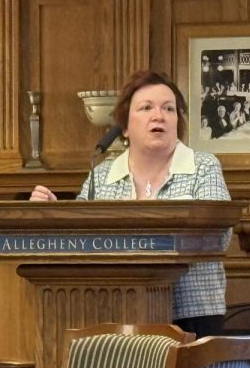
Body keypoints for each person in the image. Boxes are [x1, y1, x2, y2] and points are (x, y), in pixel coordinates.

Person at [30, 70, 231, 337]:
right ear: (124, 126)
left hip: (193, 314)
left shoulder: (203, 167)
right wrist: (57, 213)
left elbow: (219, 236)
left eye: (168, 109)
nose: (159, 116)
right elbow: (79, 240)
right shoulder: (101, 176)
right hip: (116, 312)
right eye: (146, 108)